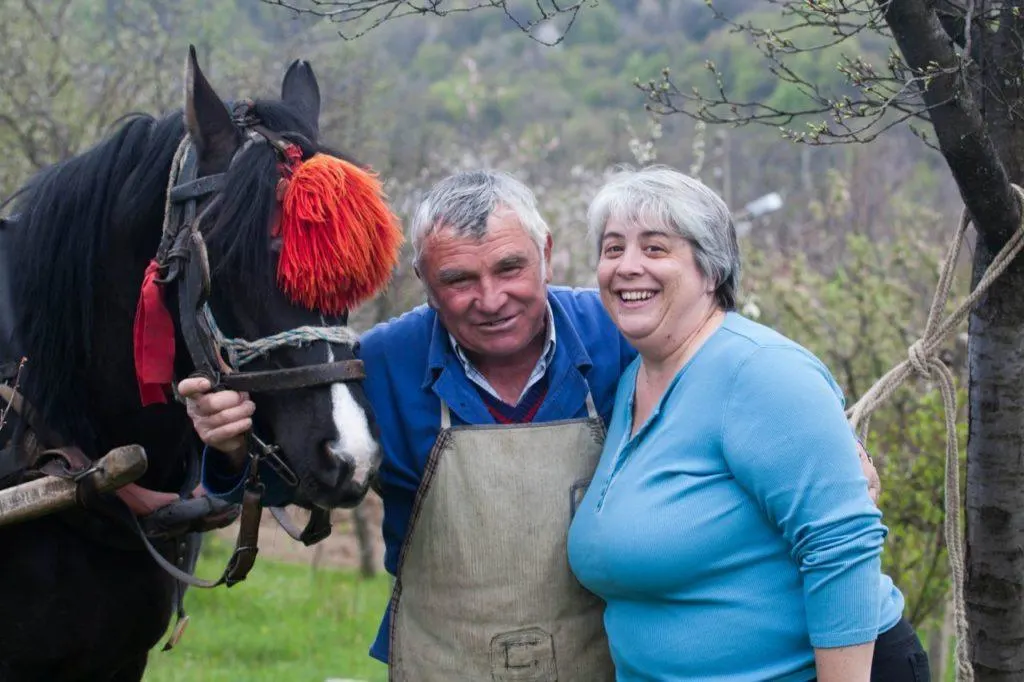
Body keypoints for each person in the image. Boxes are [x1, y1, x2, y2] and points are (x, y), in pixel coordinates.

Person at [181, 169, 884, 680]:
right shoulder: (380, 364)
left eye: (511, 268)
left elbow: (736, 383)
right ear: (424, 284)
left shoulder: (622, 340)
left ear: (546, 252)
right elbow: (302, 483)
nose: (492, 299)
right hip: (441, 665)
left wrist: (828, 464)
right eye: (459, 281)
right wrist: (235, 441)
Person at [566, 166, 928, 682]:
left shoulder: (759, 371)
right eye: (612, 248)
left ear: (710, 271)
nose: (627, 266)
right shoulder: (633, 381)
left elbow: (840, 545)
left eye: (654, 248)